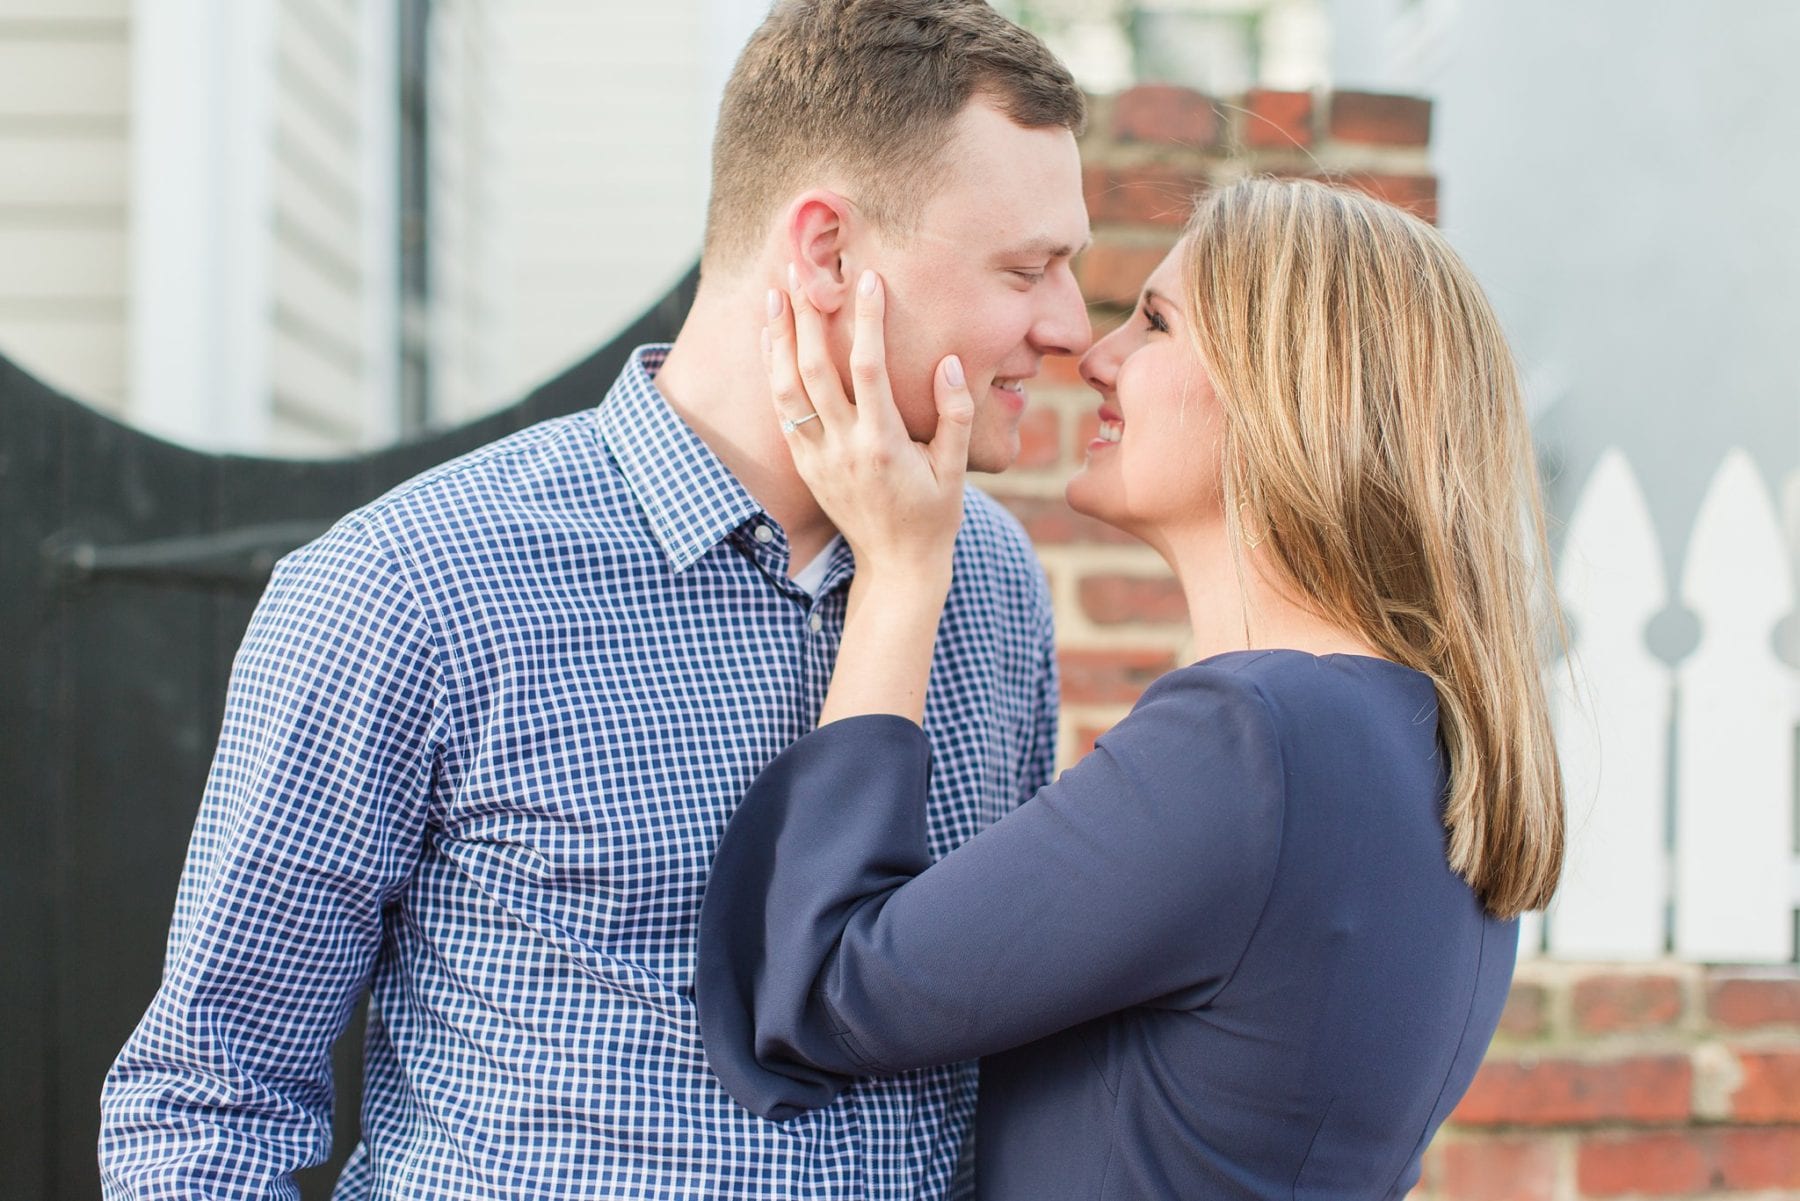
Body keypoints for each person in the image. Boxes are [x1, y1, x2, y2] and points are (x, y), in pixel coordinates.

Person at [99, 2, 1091, 1197]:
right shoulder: (411, 587)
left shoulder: (988, 584)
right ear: (827, 254)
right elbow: (207, 1100)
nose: (1070, 328)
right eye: (1027, 270)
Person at [697, 177, 1567, 1199]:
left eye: (1154, 323)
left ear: (1287, 387)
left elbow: (823, 994)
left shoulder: (1254, 744)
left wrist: (898, 570)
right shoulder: (1421, 746)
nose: (1096, 357)